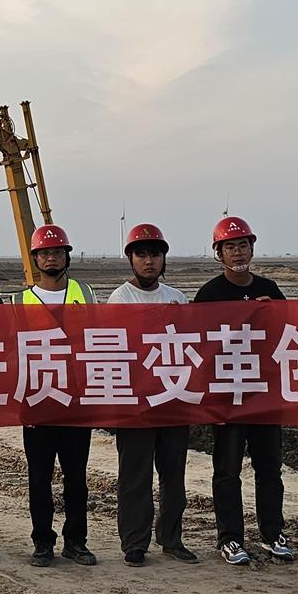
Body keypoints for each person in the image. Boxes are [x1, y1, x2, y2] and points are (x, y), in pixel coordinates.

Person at [194, 215, 293, 566]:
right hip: (227, 397)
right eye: (229, 247)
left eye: (242, 245)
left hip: (264, 395)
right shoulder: (209, 294)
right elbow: (198, 346)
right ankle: (231, 538)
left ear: (252, 249)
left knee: (270, 469)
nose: (237, 252)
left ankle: (272, 533)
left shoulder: (270, 288)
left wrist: (274, 312)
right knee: (227, 471)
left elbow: (290, 335)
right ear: (218, 253)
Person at [108, 222, 197, 566]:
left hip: (172, 399)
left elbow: (190, 346)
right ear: (131, 259)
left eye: (155, 255)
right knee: (135, 476)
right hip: (136, 403)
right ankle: (135, 542)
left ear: (163, 259)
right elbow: (118, 347)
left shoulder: (177, 298)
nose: (149, 261)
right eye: (142, 255)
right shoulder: (121, 299)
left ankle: (171, 538)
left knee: (173, 476)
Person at [19, 224, 96, 567]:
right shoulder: (19, 301)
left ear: (67, 256)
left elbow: (101, 339)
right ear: (35, 259)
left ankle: (76, 541)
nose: (51, 258)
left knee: (76, 478)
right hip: (38, 403)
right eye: (45, 253)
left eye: (57, 252)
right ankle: (42, 542)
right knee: (40, 478)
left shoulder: (85, 294)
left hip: (77, 403)